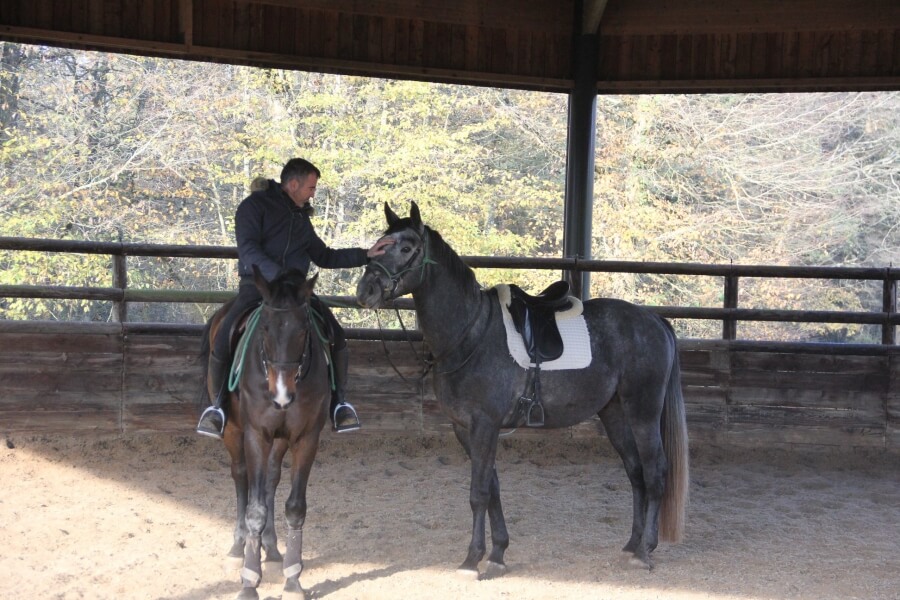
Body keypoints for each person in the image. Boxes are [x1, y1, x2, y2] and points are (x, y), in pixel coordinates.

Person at [196, 158, 392, 439]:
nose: (313, 193)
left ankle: (339, 404)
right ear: (293, 184)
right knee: (225, 331)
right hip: (259, 288)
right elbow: (248, 250)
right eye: (311, 187)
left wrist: (366, 254)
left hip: (297, 292)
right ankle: (217, 408)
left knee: (335, 332)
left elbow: (324, 256)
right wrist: (278, 276)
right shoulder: (253, 208)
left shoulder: (301, 218)